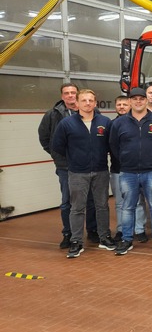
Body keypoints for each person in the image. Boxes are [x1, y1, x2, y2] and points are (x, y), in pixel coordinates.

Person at [109, 87, 152, 255]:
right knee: (128, 207)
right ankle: (127, 239)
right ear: (130, 101)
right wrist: (125, 160)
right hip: (128, 172)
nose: (138, 101)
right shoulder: (119, 123)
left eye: (141, 98)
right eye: (134, 99)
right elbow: (114, 146)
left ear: (146, 100)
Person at [52, 89, 114, 258]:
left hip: (101, 171)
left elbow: (111, 145)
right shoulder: (67, 124)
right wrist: (75, 159)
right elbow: (57, 146)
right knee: (77, 208)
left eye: (91, 100)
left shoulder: (105, 122)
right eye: (84, 100)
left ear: (95, 103)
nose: (87, 103)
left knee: (102, 206)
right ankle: (76, 241)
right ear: (77, 104)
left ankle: (104, 237)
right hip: (77, 173)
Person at [38, 83, 98, 248]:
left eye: (73, 93)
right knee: (68, 201)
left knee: (91, 200)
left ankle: (93, 230)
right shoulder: (52, 115)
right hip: (66, 167)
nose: (70, 95)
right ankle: (68, 233)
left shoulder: (93, 112)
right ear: (62, 96)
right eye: (67, 93)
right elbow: (45, 138)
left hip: (89, 165)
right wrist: (58, 156)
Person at [110, 96, 147, 242]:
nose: (121, 107)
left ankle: (139, 229)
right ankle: (121, 229)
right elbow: (112, 145)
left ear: (130, 105)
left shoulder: (138, 122)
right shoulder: (112, 124)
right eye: (118, 104)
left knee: (138, 201)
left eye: (124, 104)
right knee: (120, 202)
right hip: (118, 169)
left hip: (136, 170)